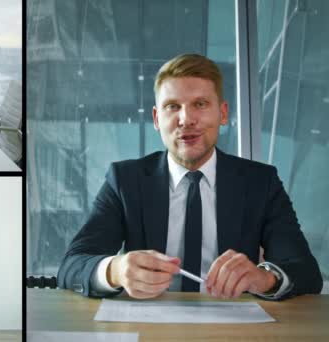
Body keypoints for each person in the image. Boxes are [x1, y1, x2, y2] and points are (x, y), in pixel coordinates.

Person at [57, 54, 322, 300]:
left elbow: (306, 272)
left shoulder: (260, 182)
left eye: (200, 104)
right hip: (151, 326)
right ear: (157, 118)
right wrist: (115, 270)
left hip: (235, 330)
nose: (186, 119)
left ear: (223, 114)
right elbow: (72, 265)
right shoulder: (125, 180)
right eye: (173, 106)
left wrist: (264, 278)